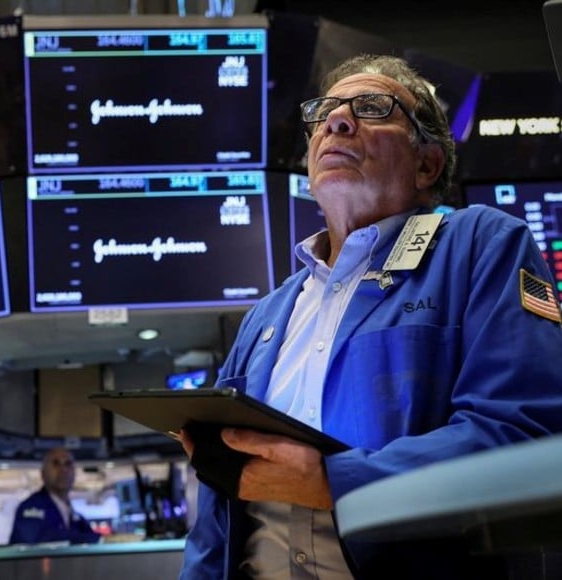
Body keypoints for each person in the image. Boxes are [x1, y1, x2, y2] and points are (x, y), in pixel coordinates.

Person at [179, 54, 562, 580]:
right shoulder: (268, 314)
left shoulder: (480, 245)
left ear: (427, 164)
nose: (336, 121)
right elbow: (217, 514)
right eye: (326, 112)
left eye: (372, 107)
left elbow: (523, 430)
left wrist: (338, 481)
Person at [9, 447, 101, 545]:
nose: (63, 470)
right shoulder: (31, 507)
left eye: (68, 464)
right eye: (56, 464)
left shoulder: (75, 517)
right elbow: (36, 543)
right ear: (43, 473)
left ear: (74, 474)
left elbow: (94, 540)